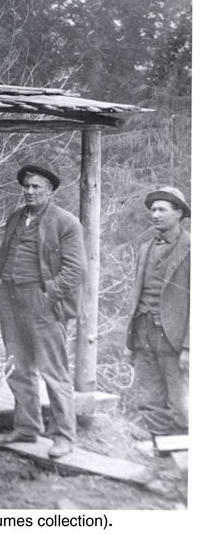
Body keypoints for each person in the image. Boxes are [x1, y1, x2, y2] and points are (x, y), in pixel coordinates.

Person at [0, 164, 86, 459]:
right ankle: (27, 427)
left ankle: (64, 436)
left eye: (37, 187)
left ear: (50, 191)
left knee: (53, 371)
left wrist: (48, 295)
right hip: (10, 299)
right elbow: (4, 252)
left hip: (42, 304)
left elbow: (75, 270)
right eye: (27, 186)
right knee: (18, 369)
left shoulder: (65, 222)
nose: (30, 192)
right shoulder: (16, 217)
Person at [126, 186, 190, 441]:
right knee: (150, 396)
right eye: (153, 209)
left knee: (180, 399)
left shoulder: (195, 247)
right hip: (143, 332)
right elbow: (136, 295)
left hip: (174, 338)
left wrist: (189, 347)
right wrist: (129, 341)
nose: (155, 214)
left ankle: (186, 464)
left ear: (179, 214)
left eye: (162, 209)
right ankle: (159, 451)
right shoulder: (145, 248)